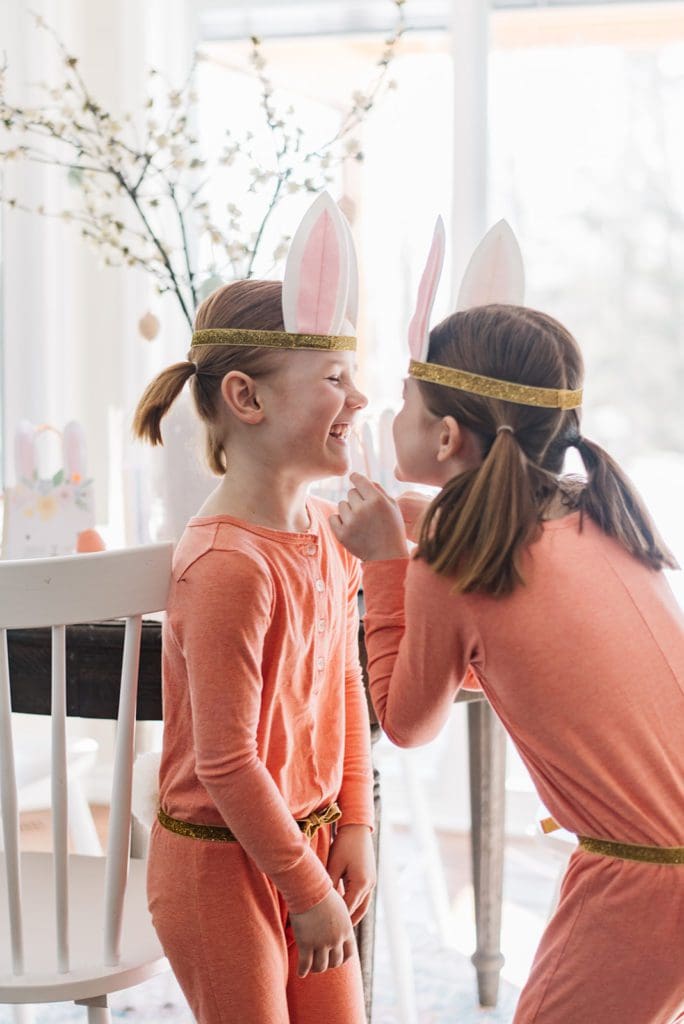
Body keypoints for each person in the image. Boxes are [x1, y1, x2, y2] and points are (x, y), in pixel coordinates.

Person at [330, 222, 684, 1024]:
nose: (388, 417)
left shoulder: (451, 569)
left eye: (404, 406)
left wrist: (389, 565)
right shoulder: (595, 515)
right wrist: (414, 529)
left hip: (648, 879)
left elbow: (407, 721)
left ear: (445, 437)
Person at [133, 194, 375, 1024]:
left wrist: (355, 825)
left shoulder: (328, 531)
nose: (363, 399)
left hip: (304, 838)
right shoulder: (228, 565)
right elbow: (227, 761)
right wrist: (305, 888)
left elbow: (343, 678)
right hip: (216, 865)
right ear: (247, 398)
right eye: (337, 380)